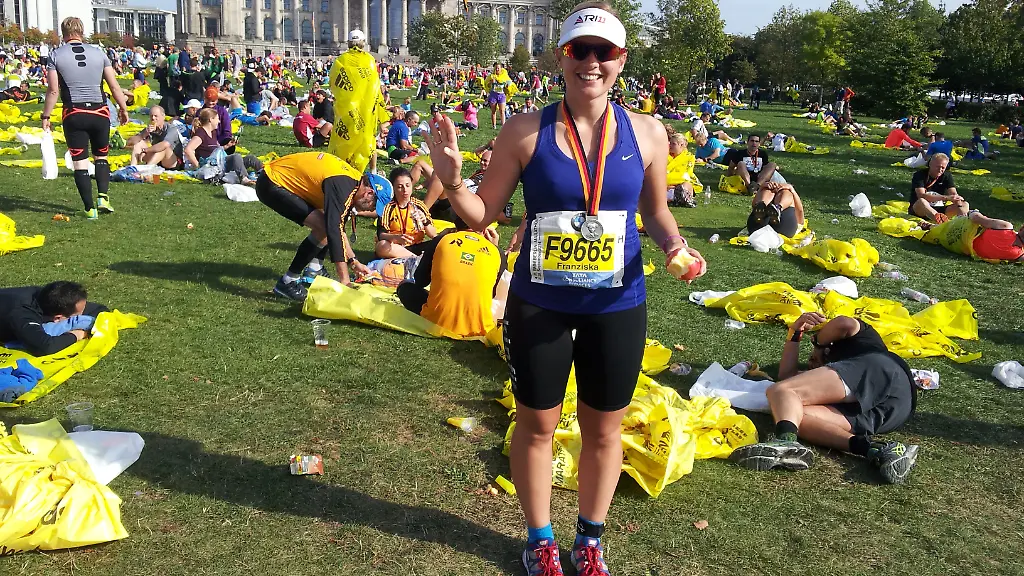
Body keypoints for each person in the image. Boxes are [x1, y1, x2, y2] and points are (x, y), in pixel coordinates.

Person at [424, 3, 706, 573]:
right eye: (581, 50)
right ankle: (540, 539)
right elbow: (483, 214)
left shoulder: (648, 133)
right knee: (537, 425)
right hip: (541, 302)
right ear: (563, 56)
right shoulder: (526, 129)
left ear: (622, 61)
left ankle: (592, 540)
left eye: (605, 52)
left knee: (606, 430)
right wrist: (453, 180)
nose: (592, 63)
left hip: (616, 301)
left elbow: (655, 213)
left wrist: (676, 247)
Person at [730, 313, 920, 485]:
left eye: (812, 358)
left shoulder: (861, 342)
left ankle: (785, 441)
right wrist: (794, 334)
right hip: (893, 411)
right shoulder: (834, 375)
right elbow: (787, 376)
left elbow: (843, 323)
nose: (811, 362)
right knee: (792, 414)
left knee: (781, 391)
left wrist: (818, 342)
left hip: (884, 372)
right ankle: (877, 449)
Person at [255, 151, 376, 300]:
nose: (371, 210)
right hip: (272, 182)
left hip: (274, 177)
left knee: (328, 224)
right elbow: (334, 231)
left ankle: (315, 268)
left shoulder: (353, 183)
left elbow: (339, 230)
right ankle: (288, 282)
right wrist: (345, 280)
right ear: (368, 193)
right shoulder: (344, 188)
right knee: (325, 227)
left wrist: (353, 261)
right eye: (374, 205)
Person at [41, 17, 129, 219]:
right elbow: (114, 86)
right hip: (100, 112)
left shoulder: (55, 54)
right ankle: (103, 196)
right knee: (101, 156)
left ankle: (90, 209)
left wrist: (46, 115)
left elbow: (53, 91)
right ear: (82, 31)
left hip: (74, 113)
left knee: (80, 162)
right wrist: (123, 108)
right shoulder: (98, 53)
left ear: (64, 33)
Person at [396, 212, 503, 337]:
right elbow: (496, 293)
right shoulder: (496, 252)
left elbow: (420, 280)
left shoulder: (441, 240)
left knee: (405, 287)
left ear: (455, 224)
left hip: (436, 322)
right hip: (479, 327)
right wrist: (494, 246)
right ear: (485, 228)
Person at [0, 281, 108, 357]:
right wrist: (78, 334)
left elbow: (101, 310)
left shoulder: (50, 297)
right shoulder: (22, 314)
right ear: (58, 318)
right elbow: (45, 347)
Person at [184, 108, 260, 184]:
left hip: (221, 163)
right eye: (217, 119)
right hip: (211, 167)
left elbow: (216, 151)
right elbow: (188, 150)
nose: (219, 121)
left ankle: (265, 173)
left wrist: (227, 146)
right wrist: (198, 166)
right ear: (211, 119)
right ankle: (244, 179)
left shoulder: (212, 132)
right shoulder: (201, 134)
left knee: (251, 158)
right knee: (236, 157)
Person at [375, 167, 438, 259]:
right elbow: (381, 234)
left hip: (416, 246)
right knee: (382, 246)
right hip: (396, 247)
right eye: (400, 187)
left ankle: (415, 258)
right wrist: (396, 238)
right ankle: (417, 259)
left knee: (439, 243)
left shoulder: (419, 205)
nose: (405, 190)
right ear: (393, 188)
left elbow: (433, 234)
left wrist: (425, 221)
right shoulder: (388, 207)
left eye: (408, 185)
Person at [909, 153, 967, 223]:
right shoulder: (920, 175)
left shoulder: (947, 176)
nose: (940, 170)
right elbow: (922, 195)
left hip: (939, 208)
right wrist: (946, 198)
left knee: (965, 204)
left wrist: (958, 202)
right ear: (930, 164)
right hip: (920, 209)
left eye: (943, 168)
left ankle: (962, 221)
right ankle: (939, 220)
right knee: (922, 201)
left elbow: (953, 193)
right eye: (937, 167)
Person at [485, 63, 512, 129]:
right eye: (496, 68)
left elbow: (508, 84)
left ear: (501, 69)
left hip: (501, 95)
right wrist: (491, 82)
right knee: (493, 111)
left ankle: (503, 126)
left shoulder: (504, 76)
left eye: (498, 68)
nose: (497, 69)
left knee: (502, 111)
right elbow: (487, 85)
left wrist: (507, 85)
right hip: (493, 94)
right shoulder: (491, 76)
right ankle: (494, 126)